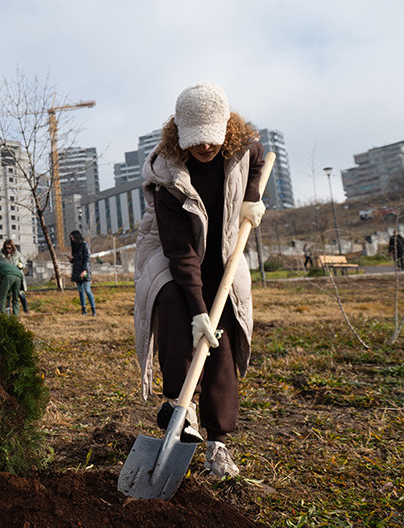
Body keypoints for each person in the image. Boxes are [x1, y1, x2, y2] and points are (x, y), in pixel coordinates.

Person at [133, 83, 266, 478]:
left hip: (224, 255)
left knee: (220, 346)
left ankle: (218, 445)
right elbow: (178, 251)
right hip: (174, 259)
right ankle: (181, 405)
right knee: (178, 314)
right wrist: (197, 310)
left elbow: (259, 158)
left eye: (211, 139)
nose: (205, 148)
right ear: (180, 134)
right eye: (196, 141)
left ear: (225, 130)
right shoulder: (166, 176)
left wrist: (252, 197)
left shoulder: (243, 147)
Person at [68, 230, 96, 316]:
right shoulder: (75, 246)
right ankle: (84, 310)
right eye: (71, 238)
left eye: (73, 238)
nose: (72, 240)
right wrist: (71, 259)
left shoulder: (84, 245)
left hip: (85, 270)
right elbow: (76, 260)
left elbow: (87, 258)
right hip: (77, 270)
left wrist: (85, 270)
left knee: (87, 290)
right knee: (80, 290)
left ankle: (93, 310)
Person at [0, 239, 29, 313]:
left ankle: (26, 310)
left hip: (17, 276)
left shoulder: (17, 254)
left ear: (12, 247)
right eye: (6, 248)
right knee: (7, 295)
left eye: (9, 248)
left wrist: (20, 265)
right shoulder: (2, 256)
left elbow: (24, 264)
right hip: (7, 278)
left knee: (20, 293)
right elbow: (1, 266)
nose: (8, 250)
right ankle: (8, 312)